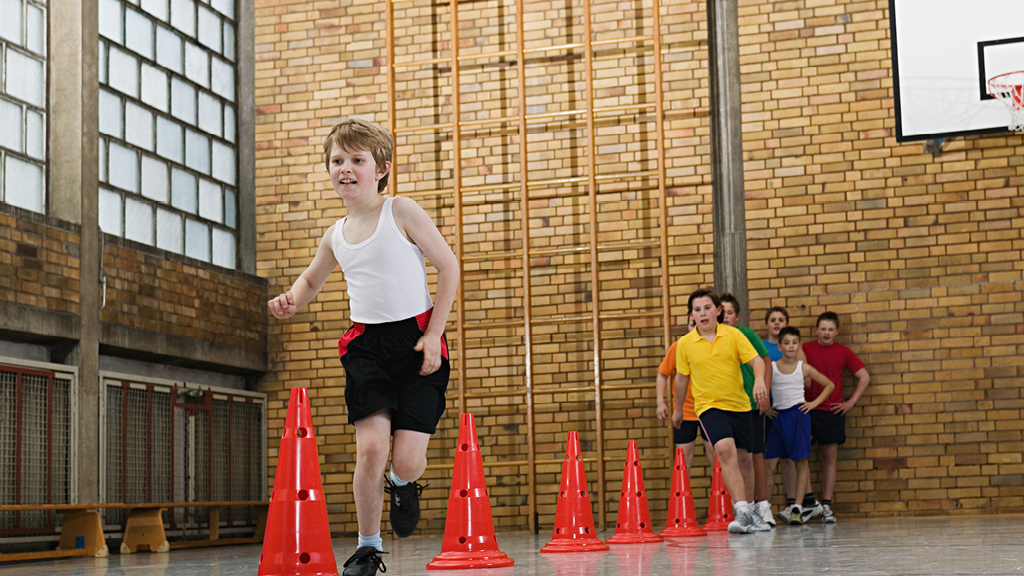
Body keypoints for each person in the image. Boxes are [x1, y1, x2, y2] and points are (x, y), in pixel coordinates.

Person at [268, 118, 459, 576]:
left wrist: (433, 334)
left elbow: (449, 267)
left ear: (382, 169)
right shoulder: (335, 234)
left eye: (357, 160)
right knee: (371, 448)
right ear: (328, 169)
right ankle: (368, 548)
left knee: (409, 460)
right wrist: (294, 298)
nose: (346, 168)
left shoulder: (402, 212)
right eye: (337, 161)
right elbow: (314, 277)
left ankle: (402, 484)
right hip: (365, 346)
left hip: (416, 341)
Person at [672, 289, 770, 534]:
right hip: (708, 407)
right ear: (691, 315)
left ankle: (752, 512)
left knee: (746, 460)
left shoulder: (734, 335)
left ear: (718, 311)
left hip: (739, 405)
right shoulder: (684, 344)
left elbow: (757, 361)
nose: (702, 313)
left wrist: (759, 381)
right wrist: (677, 410)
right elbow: (681, 379)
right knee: (724, 450)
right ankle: (742, 511)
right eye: (697, 310)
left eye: (707, 308)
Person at [800, 311, 870, 524]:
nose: (827, 333)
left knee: (829, 458)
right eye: (823, 329)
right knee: (802, 457)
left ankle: (827, 505)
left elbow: (864, 377)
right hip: (807, 410)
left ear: (837, 332)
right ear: (816, 330)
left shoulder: (844, 352)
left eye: (831, 329)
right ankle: (809, 502)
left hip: (832, 412)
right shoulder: (805, 349)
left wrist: (851, 402)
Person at [764, 326, 835, 525]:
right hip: (779, 417)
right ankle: (765, 508)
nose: (791, 346)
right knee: (769, 463)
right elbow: (760, 385)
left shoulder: (804, 367)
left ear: (799, 345)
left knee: (801, 462)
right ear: (779, 346)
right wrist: (766, 408)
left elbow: (829, 384)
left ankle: (797, 507)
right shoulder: (772, 366)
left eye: (794, 343)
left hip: (798, 416)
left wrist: (813, 403)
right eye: (786, 343)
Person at [719, 294, 774, 527]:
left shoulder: (747, 335)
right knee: (732, 455)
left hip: (751, 403)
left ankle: (762, 506)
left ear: (737, 316)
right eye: (722, 313)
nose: (726, 317)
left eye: (730, 312)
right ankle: (742, 509)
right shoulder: (715, 339)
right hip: (728, 404)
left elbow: (766, 362)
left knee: (755, 455)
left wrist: (765, 393)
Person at [760, 306, 807, 523]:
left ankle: (793, 504)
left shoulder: (797, 350)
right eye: (773, 320)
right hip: (770, 410)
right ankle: (763, 508)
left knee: (791, 460)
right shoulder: (761, 347)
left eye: (781, 320)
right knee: (769, 460)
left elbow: (805, 377)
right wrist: (764, 404)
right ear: (767, 324)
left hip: (794, 411)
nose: (777, 323)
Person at [656, 318, 715, 469]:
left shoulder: (714, 347)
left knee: (716, 456)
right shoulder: (678, 347)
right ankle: (682, 493)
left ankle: (721, 493)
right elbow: (663, 374)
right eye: (691, 324)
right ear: (688, 327)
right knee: (683, 459)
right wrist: (660, 402)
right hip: (684, 412)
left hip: (710, 409)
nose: (695, 328)